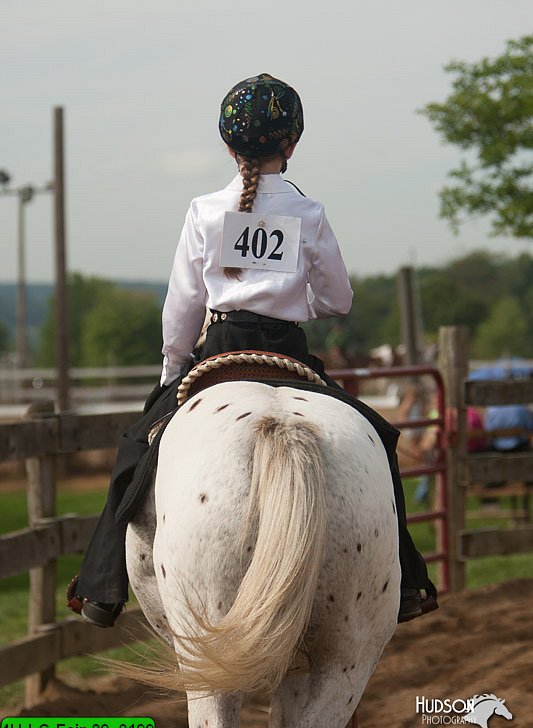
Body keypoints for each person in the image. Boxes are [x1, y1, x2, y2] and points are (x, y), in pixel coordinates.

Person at [69, 73, 437, 628]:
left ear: (227, 143)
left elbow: (182, 309)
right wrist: (296, 302)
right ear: (292, 144)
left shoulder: (204, 210)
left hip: (218, 350)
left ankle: (102, 588)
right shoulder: (308, 213)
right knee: (379, 441)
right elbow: (338, 300)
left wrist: (173, 371)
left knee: (134, 453)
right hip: (287, 352)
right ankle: (406, 582)